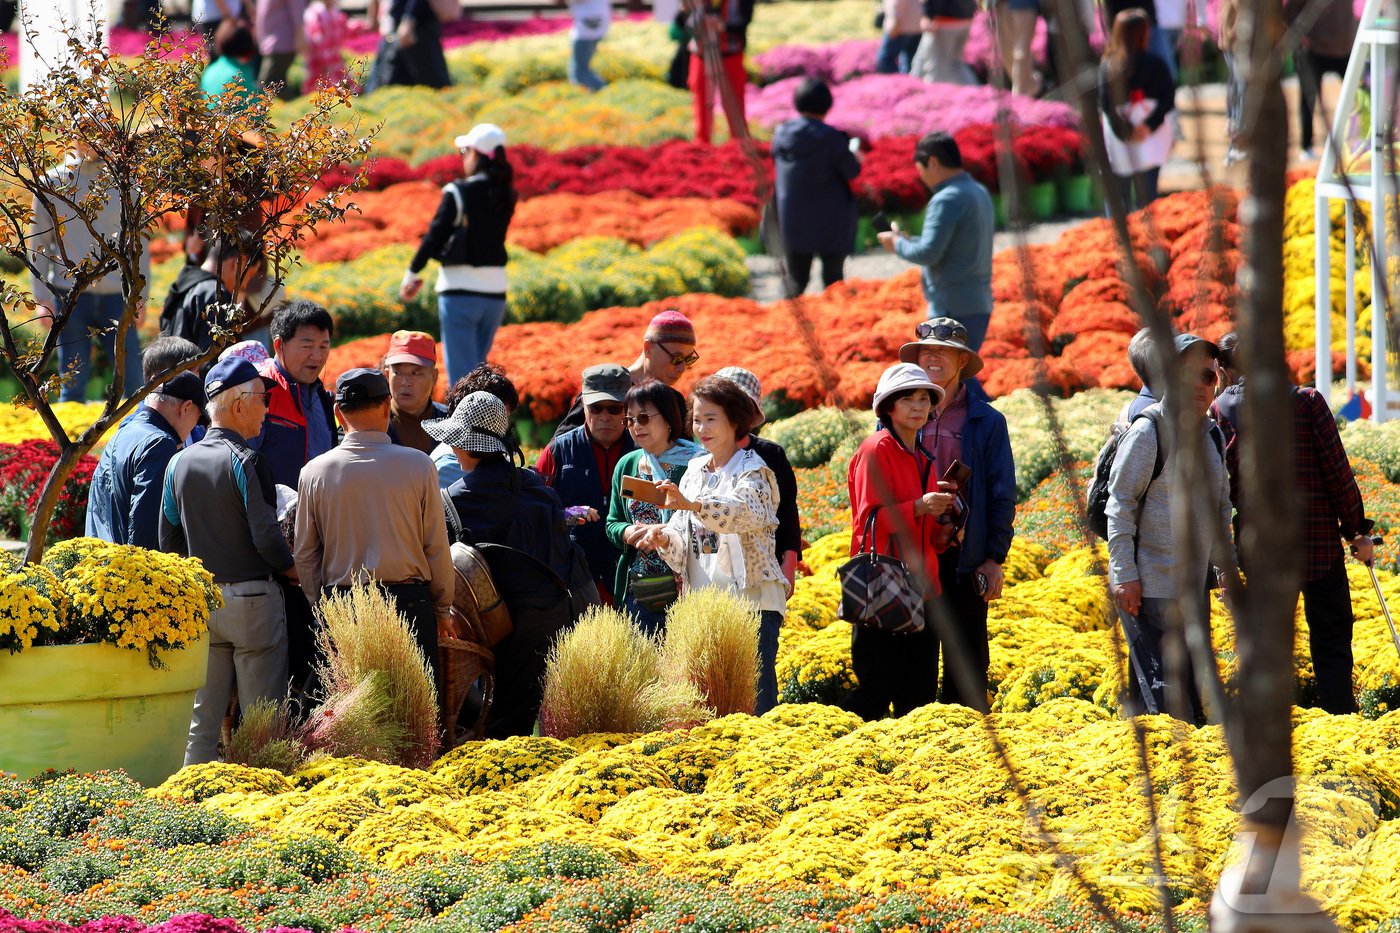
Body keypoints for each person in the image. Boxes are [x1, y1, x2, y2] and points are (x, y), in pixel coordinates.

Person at [1211, 332, 1374, 715]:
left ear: (1223, 370)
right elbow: (1338, 475)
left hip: (1261, 550)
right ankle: (1339, 721)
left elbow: (1223, 487)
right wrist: (1357, 532)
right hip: (1317, 546)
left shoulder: (1220, 411)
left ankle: (1267, 729)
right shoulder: (1307, 401)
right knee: (1332, 642)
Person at [159, 356, 293, 766]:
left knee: (202, 721)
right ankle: (261, 811)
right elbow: (266, 537)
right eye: (262, 400)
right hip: (253, 602)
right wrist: (294, 570)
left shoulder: (178, 461)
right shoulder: (249, 461)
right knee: (261, 721)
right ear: (239, 405)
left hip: (204, 605)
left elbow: (168, 544)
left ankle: (192, 804)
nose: (265, 410)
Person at [637, 376, 786, 713]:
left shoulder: (754, 469)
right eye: (696, 419)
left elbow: (744, 513)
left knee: (753, 704)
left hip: (752, 605)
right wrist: (663, 538)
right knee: (705, 705)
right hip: (703, 609)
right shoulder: (693, 470)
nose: (701, 427)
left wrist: (693, 505)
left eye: (711, 418)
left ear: (736, 421)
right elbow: (680, 536)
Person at [1106, 333, 1235, 722]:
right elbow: (1120, 506)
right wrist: (1125, 576)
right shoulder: (1149, 433)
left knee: (1186, 704)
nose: (1199, 385)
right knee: (1161, 709)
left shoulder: (1210, 433)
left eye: (1208, 378)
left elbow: (1221, 507)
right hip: (1151, 593)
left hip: (1192, 592)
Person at [294, 368, 454, 679]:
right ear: (386, 407)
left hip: (343, 605)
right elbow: (436, 546)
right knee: (413, 716)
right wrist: (442, 609)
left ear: (338, 413)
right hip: (408, 605)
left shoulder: (313, 472)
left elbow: (304, 553)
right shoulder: (419, 465)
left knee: (350, 719)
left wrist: (321, 609)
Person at [898, 319, 1015, 709]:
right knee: (913, 669)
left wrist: (994, 557)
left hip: (963, 559)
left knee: (967, 669)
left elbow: (1002, 496)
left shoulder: (987, 421)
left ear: (962, 361)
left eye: (942, 351)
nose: (932, 357)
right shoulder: (898, 412)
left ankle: (969, 755)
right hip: (912, 559)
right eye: (925, 351)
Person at [840, 363, 955, 720]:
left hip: (922, 588)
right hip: (883, 587)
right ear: (887, 406)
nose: (919, 406)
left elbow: (921, 532)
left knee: (918, 695)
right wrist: (920, 506)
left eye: (924, 398)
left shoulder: (924, 456)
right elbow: (869, 521)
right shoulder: (876, 449)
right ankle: (853, 764)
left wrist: (945, 532)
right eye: (908, 399)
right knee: (877, 691)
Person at [29, 147, 148, 402]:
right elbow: (37, 240)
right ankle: (69, 441)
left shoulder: (125, 184)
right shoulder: (51, 183)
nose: (91, 139)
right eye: (83, 129)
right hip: (69, 296)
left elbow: (138, 244)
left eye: (96, 129)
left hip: (118, 297)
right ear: (72, 134)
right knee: (72, 381)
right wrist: (41, 298)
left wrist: (142, 294)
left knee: (134, 380)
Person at [401, 125, 517, 386]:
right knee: (478, 371)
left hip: (460, 294)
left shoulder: (459, 192)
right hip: (495, 294)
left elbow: (435, 236)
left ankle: (466, 427)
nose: (463, 157)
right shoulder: (507, 194)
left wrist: (412, 272)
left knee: (463, 379)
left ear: (477, 155)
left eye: (465, 151)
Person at [877, 132, 994, 350]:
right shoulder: (978, 191)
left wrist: (897, 245)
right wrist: (910, 240)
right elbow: (952, 243)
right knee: (960, 376)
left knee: (949, 379)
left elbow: (928, 253)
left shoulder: (946, 198)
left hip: (952, 308)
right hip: (977, 302)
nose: (920, 176)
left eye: (919, 168)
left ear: (932, 162)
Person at [605, 380, 705, 635]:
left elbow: (708, 521)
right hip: (641, 594)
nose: (636, 426)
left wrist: (665, 534)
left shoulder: (699, 463)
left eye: (644, 417)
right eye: (629, 420)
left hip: (691, 591)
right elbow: (613, 523)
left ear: (670, 419)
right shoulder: (627, 464)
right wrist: (629, 533)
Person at [537, 364, 638, 602]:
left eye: (614, 408)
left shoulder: (645, 451)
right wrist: (570, 515)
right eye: (595, 407)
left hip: (631, 580)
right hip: (574, 580)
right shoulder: (557, 451)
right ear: (583, 406)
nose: (604, 416)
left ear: (628, 408)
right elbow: (534, 514)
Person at [87, 372, 207, 549]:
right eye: (197, 419)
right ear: (186, 408)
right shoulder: (160, 443)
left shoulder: (125, 430)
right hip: (125, 569)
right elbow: (145, 531)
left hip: (97, 561)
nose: (193, 428)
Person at [771, 79, 863, 298]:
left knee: (795, 279)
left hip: (792, 219)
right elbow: (851, 171)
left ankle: (781, 326)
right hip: (830, 221)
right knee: (833, 282)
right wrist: (855, 156)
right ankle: (837, 328)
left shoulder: (782, 134)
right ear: (827, 105)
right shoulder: (832, 139)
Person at [716, 367, 803, 592]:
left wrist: (789, 565)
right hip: (715, 576)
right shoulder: (703, 457)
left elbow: (786, 513)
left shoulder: (771, 454)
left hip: (765, 573)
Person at [552, 310, 697, 438]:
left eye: (688, 359)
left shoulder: (675, 400)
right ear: (648, 348)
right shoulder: (605, 388)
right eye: (676, 358)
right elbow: (560, 448)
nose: (682, 368)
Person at [251, 300, 337, 491]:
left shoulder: (324, 398)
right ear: (279, 345)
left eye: (324, 347)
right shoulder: (259, 392)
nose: (317, 356)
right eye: (307, 346)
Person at [1098, 9, 1176, 213]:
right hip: (1151, 134)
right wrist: (1148, 125)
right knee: (1148, 195)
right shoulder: (1156, 64)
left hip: (1118, 134)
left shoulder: (1108, 66)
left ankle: (1116, 238)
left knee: (1118, 194)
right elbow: (1168, 97)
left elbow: (1105, 103)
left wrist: (1125, 131)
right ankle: (1150, 241)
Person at [433, 363, 521, 488]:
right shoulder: (453, 464)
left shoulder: (479, 456)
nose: (505, 426)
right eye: (496, 418)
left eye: (505, 417)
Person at [1286, 0, 1355, 161]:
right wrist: (1297, 35)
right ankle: (1306, 145)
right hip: (1315, 50)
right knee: (1309, 98)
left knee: (1362, 93)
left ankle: (1368, 139)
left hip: (1345, 50)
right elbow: (1289, 10)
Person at [161, 235, 250, 357]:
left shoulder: (183, 285)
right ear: (239, 262)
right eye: (249, 276)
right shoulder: (217, 295)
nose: (244, 286)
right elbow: (212, 362)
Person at [685, 0, 754, 144]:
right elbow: (681, 23)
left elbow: (744, 22)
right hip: (701, 56)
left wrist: (722, 26)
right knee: (701, 104)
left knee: (735, 104)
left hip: (730, 55)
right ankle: (701, 146)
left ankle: (740, 146)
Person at [382, 330, 448, 454]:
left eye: (415, 373)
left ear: (434, 377)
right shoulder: (373, 425)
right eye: (397, 372)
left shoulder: (450, 420)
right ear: (387, 375)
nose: (405, 382)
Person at [363, 0, 452, 92]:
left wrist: (409, 19)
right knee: (386, 82)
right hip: (397, 26)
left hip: (416, 28)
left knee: (432, 84)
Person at [910, 0, 979, 86]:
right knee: (955, 64)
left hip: (943, 19)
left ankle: (932, 97)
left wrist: (927, 15)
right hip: (965, 17)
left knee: (935, 67)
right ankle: (978, 92)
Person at [200, 20, 262, 111]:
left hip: (209, 121)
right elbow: (255, 114)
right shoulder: (240, 75)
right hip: (233, 123)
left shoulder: (210, 70)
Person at [256, 0, 306, 100]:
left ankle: (296, 109)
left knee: (268, 83)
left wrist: (301, 38)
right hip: (269, 44)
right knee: (274, 84)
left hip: (281, 44)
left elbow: (298, 12)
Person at [995, 0, 1041, 97]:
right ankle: (1029, 85)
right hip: (1001, 3)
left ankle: (1020, 96)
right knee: (1006, 51)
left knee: (1020, 52)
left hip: (1024, 3)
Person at [302, 0, 349, 93]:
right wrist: (324, 61)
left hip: (334, 61)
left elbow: (343, 31)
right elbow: (318, 40)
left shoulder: (332, 12)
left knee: (337, 89)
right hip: (322, 63)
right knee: (322, 88)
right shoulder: (318, 13)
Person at [567, 0, 611, 91]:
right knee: (582, 68)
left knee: (579, 71)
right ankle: (603, 91)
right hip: (594, 22)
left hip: (588, 25)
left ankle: (602, 91)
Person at [876, 0, 923, 74]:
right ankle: (907, 83)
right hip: (916, 26)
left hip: (900, 26)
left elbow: (896, 3)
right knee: (909, 61)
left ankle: (896, 82)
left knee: (885, 59)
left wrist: (894, 21)